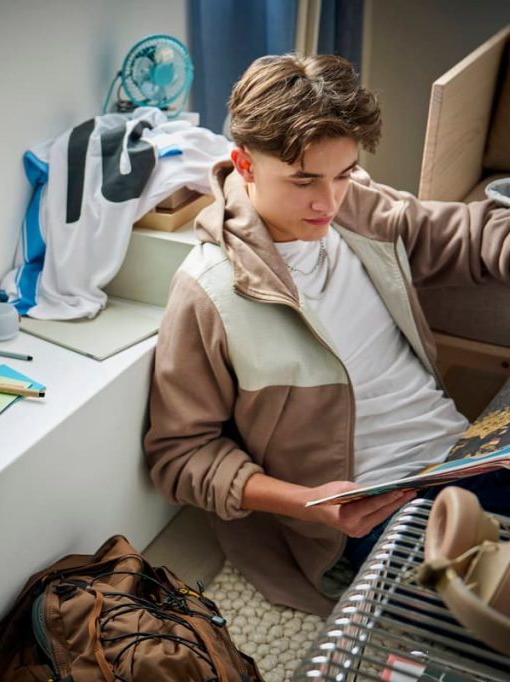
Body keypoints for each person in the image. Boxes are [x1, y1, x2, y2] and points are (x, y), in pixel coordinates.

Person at [143, 53, 510, 617]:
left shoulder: (354, 206)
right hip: (374, 509)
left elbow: (469, 233)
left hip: (463, 454)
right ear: (244, 164)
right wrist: (306, 502)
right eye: (304, 181)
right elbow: (179, 455)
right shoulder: (208, 291)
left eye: (343, 173)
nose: (328, 201)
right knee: (488, 612)